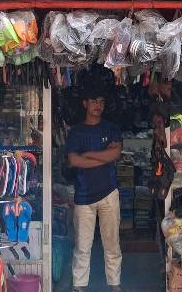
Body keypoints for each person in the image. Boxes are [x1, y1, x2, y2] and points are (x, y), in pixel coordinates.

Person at [66, 90, 123, 292]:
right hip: (83, 196)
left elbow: (115, 154)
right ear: (85, 104)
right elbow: (74, 160)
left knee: (112, 244)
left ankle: (115, 284)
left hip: (109, 193)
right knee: (82, 246)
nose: (98, 105)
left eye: (101, 101)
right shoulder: (76, 132)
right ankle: (79, 286)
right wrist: (103, 156)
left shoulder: (111, 128)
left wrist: (88, 154)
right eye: (94, 101)